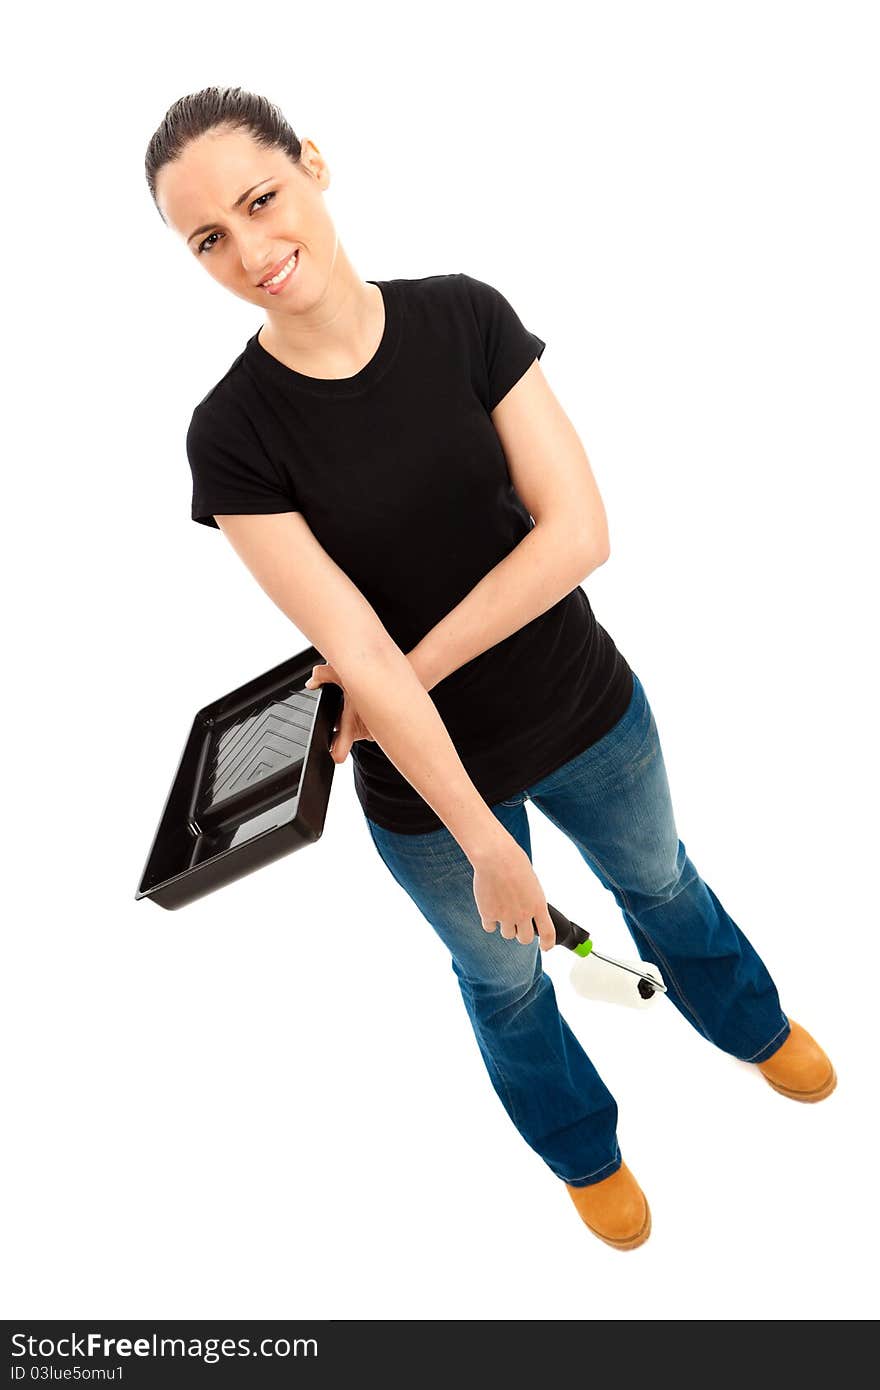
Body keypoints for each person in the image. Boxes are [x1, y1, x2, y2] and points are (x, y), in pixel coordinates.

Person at [145, 85, 836, 1251]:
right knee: (507, 983)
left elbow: (577, 536)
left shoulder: (464, 317)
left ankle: (752, 1025)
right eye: (208, 237)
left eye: (262, 199)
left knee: (662, 886)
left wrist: (390, 670)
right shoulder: (232, 433)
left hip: (587, 711)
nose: (250, 250)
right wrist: (483, 842)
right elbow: (347, 645)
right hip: (428, 792)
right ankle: (582, 1149)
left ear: (313, 163)